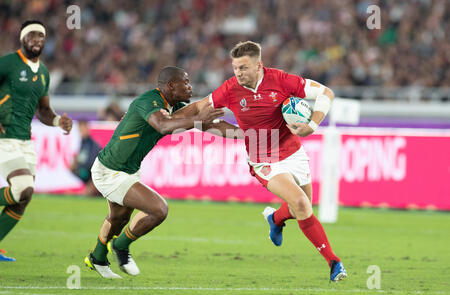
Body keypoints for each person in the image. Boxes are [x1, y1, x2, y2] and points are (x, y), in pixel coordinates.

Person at [177, 41, 347, 282]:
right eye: (235, 68)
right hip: (263, 158)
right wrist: (167, 118)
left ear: (259, 65)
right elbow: (199, 107)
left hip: (294, 152)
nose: (238, 73)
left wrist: (312, 125)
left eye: (243, 68)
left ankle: (275, 219)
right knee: (300, 202)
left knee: (304, 207)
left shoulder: (282, 80)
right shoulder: (230, 88)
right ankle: (334, 263)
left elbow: (326, 93)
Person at [84, 66, 240, 278]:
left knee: (119, 218)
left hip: (128, 169)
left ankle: (97, 257)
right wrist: (198, 119)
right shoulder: (148, 101)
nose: (190, 86)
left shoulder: (176, 106)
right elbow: (162, 125)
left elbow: (211, 125)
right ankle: (121, 246)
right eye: (185, 82)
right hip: (110, 170)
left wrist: (247, 135)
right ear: (171, 86)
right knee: (158, 209)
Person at [0, 20, 73, 262]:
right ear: (22, 38)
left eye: (41, 36)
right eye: (32, 35)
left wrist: (57, 122)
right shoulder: (8, 63)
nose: (37, 40)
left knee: (24, 198)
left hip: (24, 139)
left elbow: (43, 110)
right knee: (22, 187)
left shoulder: (43, 72)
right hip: (4, 137)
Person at [70, 120, 101, 196]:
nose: (81, 132)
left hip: (94, 172)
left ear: (87, 129)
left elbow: (92, 163)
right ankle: (88, 188)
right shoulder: (81, 143)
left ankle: (92, 188)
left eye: (83, 129)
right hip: (84, 171)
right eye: (80, 130)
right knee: (72, 168)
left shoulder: (93, 144)